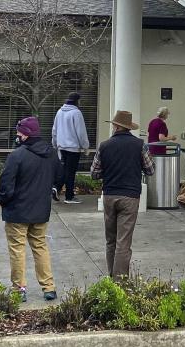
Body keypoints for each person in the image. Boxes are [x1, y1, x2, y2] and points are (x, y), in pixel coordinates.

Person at [0, 116, 61, 302]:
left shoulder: (16, 156)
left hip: (17, 212)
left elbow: (6, 185)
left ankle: (19, 289)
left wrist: (2, 200)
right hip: (41, 210)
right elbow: (60, 176)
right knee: (40, 247)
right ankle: (49, 287)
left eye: (19, 132)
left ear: (25, 134)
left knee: (17, 249)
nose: (17, 135)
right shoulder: (51, 154)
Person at [91, 110, 154, 277]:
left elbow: (94, 173)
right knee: (123, 242)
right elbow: (150, 170)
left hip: (110, 194)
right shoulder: (140, 145)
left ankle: (112, 276)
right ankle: (120, 281)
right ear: (128, 127)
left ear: (116, 126)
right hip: (130, 196)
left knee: (110, 240)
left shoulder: (104, 146)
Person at [52, 92, 90, 204]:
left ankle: (56, 187)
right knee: (71, 172)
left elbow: (54, 130)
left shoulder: (59, 112)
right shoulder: (76, 113)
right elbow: (81, 132)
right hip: (73, 147)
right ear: (77, 101)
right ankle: (69, 196)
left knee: (64, 170)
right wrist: (85, 146)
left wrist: (55, 143)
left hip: (61, 146)